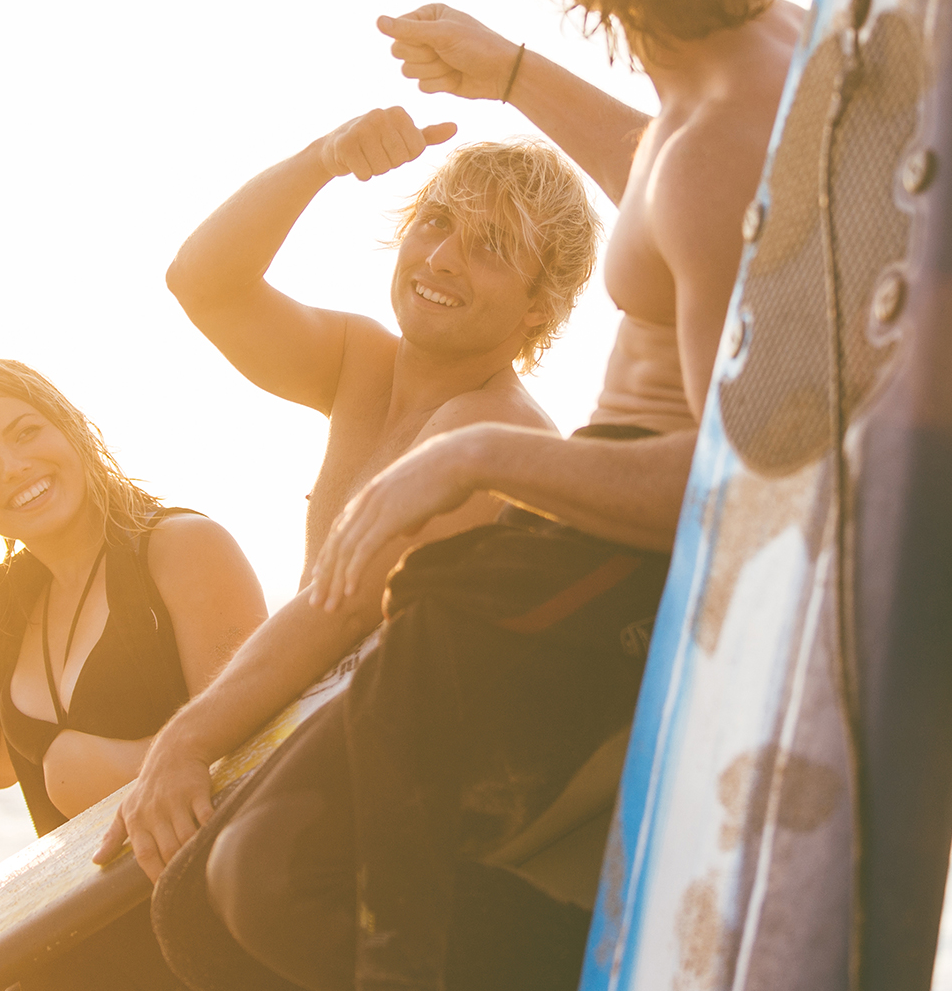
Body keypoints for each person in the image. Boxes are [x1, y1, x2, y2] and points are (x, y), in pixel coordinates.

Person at [141, 0, 806, 991]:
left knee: (257, 886)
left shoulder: (717, 133)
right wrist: (504, 74)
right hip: (577, 555)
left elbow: (746, 478)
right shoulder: (749, 58)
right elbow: (663, 178)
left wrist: (478, 461)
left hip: (598, 575)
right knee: (194, 904)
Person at [94, 121, 603, 883]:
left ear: (540, 305)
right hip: (323, 752)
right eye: (436, 222)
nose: (440, 258)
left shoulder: (495, 432)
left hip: (416, 826)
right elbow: (203, 283)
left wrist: (185, 742)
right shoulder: (364, 365)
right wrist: (323, 158)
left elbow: (339, 609)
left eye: (490, 246)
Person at [0, 357, 269, 990]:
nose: (15, 467)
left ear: (69, 428)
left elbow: (254, 753)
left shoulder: (181, 548)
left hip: (220, 941)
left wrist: (95, 769)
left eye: (25, 433)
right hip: (88, 949)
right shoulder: (13, 600)